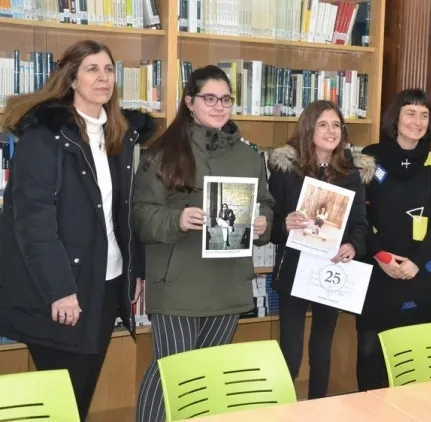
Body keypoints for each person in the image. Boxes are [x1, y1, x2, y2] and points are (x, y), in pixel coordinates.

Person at [0, 40, 154, 421]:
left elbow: (123, 212)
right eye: (92, 69)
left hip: (106, 283)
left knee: (79, 397)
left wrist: (134, 270)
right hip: (60, 291)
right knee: (62, 403)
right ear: (71, 79)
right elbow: (33, 221)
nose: (103, 78)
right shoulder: (44, 135)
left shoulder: (118, 134)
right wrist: (60, 289)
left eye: (109, 70)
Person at [132, 65, 275, 422]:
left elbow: (266, 204)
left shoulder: (249, 156)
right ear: (190, 102)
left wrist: (263, 223)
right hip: (177, 282)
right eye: (209, 98)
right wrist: (177, 220)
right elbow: (140, 215)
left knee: (208, 375)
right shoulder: (162, 152)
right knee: (172, 371)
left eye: (225, 99)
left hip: (227, 282)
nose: (219, 106)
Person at [268, 100, 374, 399]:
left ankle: (318, 406)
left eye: (336, 125)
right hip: (294, 269)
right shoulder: (286, 170)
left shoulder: (352, 172)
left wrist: (354, 245)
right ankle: (283, 410)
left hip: (332, 269)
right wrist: (284, 225)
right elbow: (270, 223)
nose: (331, 131)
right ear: (308, 129)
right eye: (323, 125)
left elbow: (360, 222)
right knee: (290, 349)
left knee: (322, 347)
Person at [356, 88, 431, 390]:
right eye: (410, 113)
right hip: (377, 269)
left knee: (416, 353)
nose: (417, 121)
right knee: (370, 350)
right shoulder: (369, 158)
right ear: (395, 119)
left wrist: (417, 261)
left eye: (424, 115)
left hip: (421, 272)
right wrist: (380, 255)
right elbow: (358, 215)